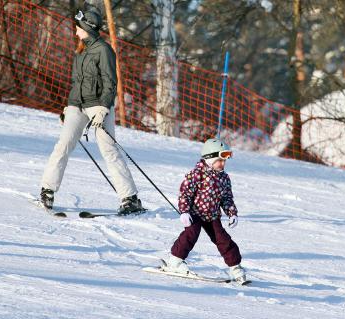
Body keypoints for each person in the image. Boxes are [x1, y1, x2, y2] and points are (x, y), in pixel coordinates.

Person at [40, 7, 143, 215]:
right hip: (77, 105)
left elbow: (110, 82)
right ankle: (47, 190)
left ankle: (130, 199)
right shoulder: (81, 51)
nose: (76, 30)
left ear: (87, 28)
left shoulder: (103, 50)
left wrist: (104, 107)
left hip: (98, 105)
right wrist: (68, 106)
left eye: (78, 27)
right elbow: (77, 83)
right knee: (63, 146)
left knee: (109, 150)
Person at [163, 138, 246, 282]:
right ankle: (175, 261)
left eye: (224, 160)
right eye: (220, 160)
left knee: (223, 240)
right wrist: (184, 211)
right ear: (209, 159)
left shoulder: (224, 178)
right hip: (195, 213)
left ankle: (235, 267)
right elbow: (185, 193)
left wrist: (232, 213)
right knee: (191, 234)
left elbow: (226, 198)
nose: (223, 163)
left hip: (212, 215)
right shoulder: (196, 174)